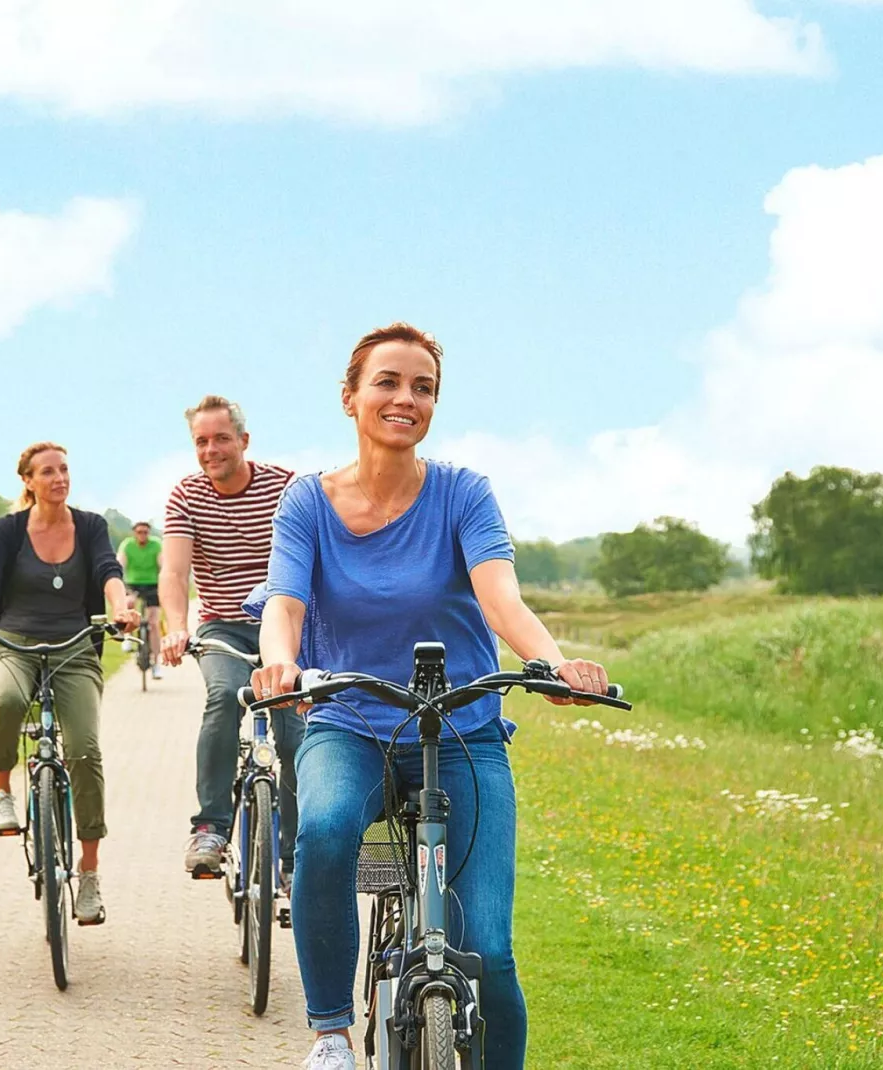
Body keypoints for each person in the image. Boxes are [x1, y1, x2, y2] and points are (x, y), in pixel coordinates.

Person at [246, 323, 610, 1070]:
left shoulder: (463, 494)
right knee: (323, 830)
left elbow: (502, 600)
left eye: (423, 387)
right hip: (349, 724)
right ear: (350, 397)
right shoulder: (306, 503)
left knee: (490, 950)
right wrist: (279, 665)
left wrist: (552, 664)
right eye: (387, 382)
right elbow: (284, 601)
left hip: (463, 733)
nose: (405, 398)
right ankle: (330, 1035)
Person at [0, 442, 138, 924]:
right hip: (14, 642)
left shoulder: (89, 526)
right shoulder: (8, 531)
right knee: (6, 699)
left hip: (75, 646)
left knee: (85, 750)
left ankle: (88, 876)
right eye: (47, 472)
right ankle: (2, 792)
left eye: (64, 469)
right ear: (28, 481)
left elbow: (108, 572)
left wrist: (119, 607)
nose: (59, 478)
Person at [159, 395, 303, 883]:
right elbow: (175, 573)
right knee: (223, 697)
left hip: (282, 622)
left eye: (221, 438)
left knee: (294, 730)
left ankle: (295, 853)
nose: (210, 449)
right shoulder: (186, 495)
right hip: (222, 624)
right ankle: (210, 827)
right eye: (201, 441)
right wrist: (176, 626)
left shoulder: (285, 487)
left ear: (244, 440)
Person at [117, 520, 163, 678]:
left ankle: (157, 663)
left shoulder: (156, 544)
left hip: (152, 584)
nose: (142, 535)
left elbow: (162, 564)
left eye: (145, 532)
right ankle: (127, 637)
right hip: (133, 584)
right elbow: (120, 563)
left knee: (154, 623)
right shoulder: (127, 545)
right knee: (129, 603)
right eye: (139, 532)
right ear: (134, 533)